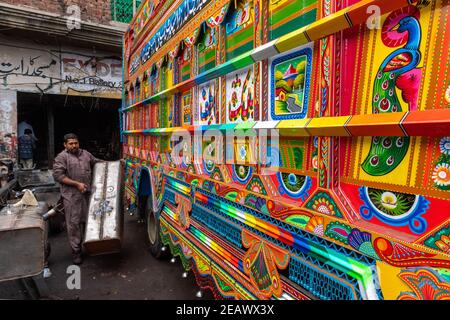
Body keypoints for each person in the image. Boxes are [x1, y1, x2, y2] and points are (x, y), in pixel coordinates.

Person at [53, 133, 100, 265]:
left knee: (89, 221)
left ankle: (88, 246)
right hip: (71, 196)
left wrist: (115, 163)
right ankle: (76, 252)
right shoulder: (62, 157)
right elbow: (58, 176)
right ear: (65, 145)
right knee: (74, 224)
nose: (74, 146)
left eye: (76, 143)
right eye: (71, 143)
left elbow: (96, 162)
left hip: (87, 194)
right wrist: (77, 184)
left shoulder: (85, 154)